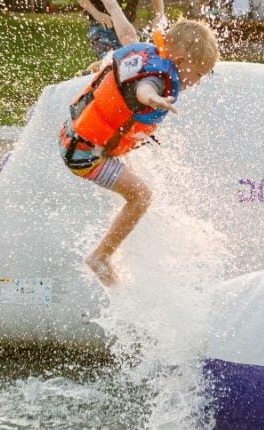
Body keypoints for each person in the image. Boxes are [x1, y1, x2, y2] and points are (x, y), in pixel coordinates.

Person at [60, 2, 218, 286]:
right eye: (198, 74)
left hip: (77, 137)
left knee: (134, 177)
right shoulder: (156, 79)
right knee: (141, 197)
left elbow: (127, 35)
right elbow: (144, 90)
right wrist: (152, 99)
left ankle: (105, 251)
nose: (197, 82)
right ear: (180, 62)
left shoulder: (148, 55)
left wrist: (113, 7)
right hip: (86, 154)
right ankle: (101, 256)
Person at [76, 0, 164, 58]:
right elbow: (114, 9)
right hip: (101, 27)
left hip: (124, 24)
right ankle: (87, 74)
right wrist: (96, 14)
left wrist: (159, 14)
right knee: (112, 58)